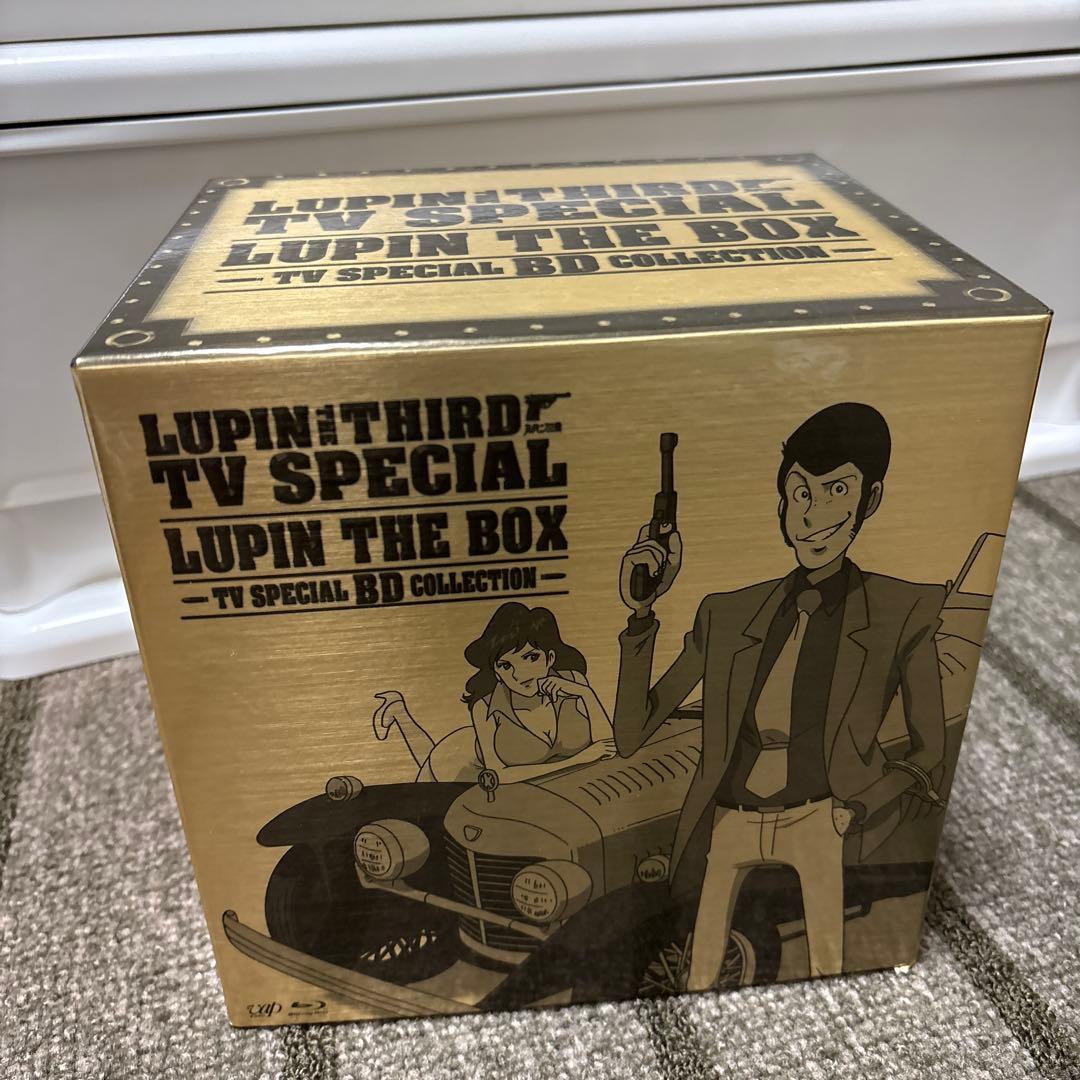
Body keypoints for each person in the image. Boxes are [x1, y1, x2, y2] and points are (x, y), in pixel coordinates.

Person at [613, 402, 946, 988]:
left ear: (869, 501)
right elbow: (630, 734)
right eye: (800, 492)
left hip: (822, 816)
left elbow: (928, 750)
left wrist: (859, 807)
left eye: (837, 490)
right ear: (780, 502)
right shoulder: (727, 613)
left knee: (829, 967)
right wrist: (643, 610)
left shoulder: (903, 610)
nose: (813, 514)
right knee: (699, 972)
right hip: (730, 818)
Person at [374, 601, 615, 783]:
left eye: (530, 658)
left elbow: (609, 748)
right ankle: (400, 714)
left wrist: (586, 694)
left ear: (550, 658)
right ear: (497, 672)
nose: (519, 675)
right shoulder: (484, 707)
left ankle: (398, 711)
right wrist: (580, 759)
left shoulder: (574, 683)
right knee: (431, 777)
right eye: (506, 666)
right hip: (465, 762)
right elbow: (499, 775)